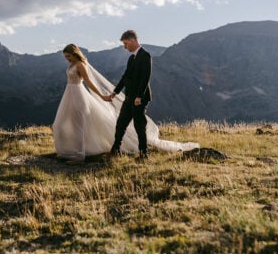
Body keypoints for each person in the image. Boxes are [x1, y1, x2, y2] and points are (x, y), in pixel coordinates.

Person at [52, 41, 198, 164]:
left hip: (78, 95)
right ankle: (70, 150)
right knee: (60, 124)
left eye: (69, 56)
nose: (67, 59)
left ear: (74, 53)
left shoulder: (80, 65)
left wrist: (103, 96)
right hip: (69, 95)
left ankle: (79, 155)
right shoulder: (71, 64)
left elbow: (89, 83)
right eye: (66, 57)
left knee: (79, 124)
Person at [105, 30, 153, 160]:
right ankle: (115, 149)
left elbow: (145, 77)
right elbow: (126, 76)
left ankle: (144, 154)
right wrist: (115, 92)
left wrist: (139, 96)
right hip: (128, 97)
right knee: (121, 123)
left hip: (139, 98)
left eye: (126, 44)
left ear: (132, 40)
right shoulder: (131, 58)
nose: (125, 48)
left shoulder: (145, 55)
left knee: (139, 126)